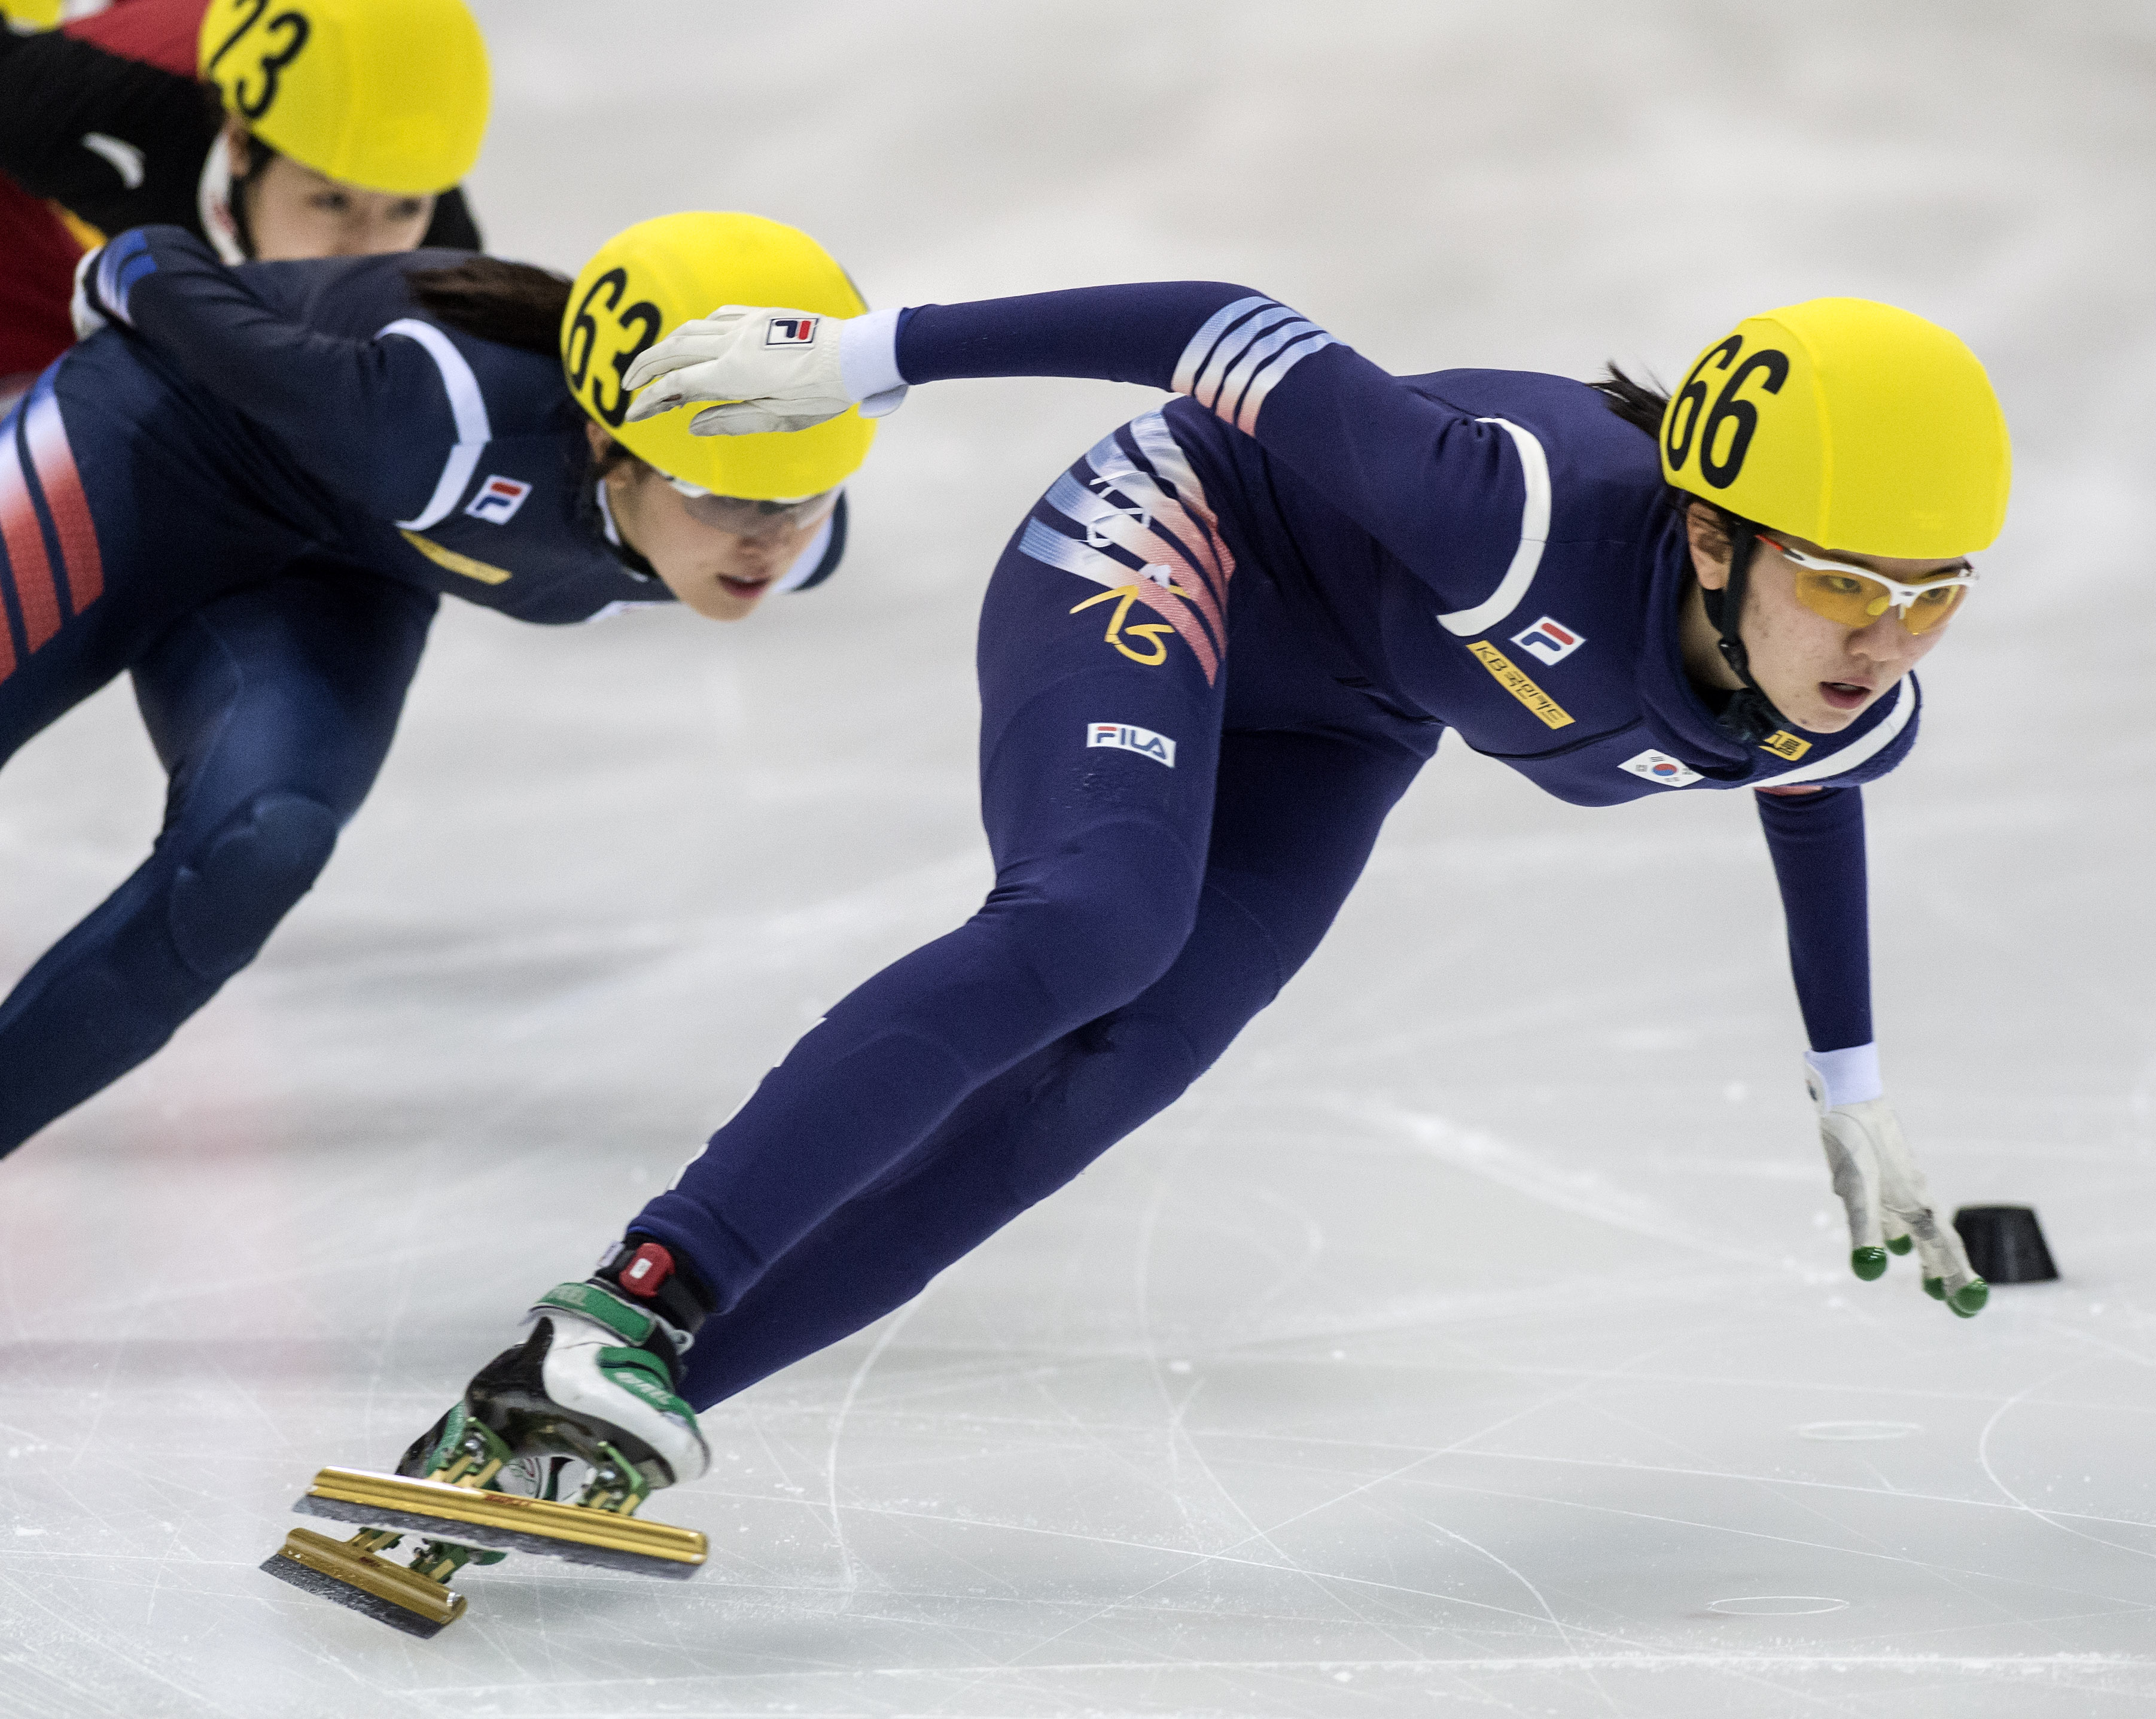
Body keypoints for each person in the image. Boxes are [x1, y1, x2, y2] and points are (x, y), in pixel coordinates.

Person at [384, 282, 2011, 1520]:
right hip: (1173, 540)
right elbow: (1215, 324)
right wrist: (872, 351)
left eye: (1931, 599)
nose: (1880, 638)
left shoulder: (1850, 701)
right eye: (1844, 581)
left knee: (1117, 1070)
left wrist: (1852, 1085)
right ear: (1715, 540)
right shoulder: (1505, 506)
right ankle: (625, 1300)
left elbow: (1805, 790)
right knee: (1100, 924)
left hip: (1345, 715)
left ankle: (586, 1421)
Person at [0, 210, 890, 1154]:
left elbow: (777, 515)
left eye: (807, 496)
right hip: (150, 442)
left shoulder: (794, 552)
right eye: (726, 494)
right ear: (602, 439)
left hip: (337, 573)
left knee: (263, 844)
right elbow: (161, 268)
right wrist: (126, 264)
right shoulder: (443, 423)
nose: (773, 539)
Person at [0, 0, 488, 400]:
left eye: (406, 207)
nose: (369, 251)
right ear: (238, 143)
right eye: (332, 202)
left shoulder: (438, 242)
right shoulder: (74, 108)